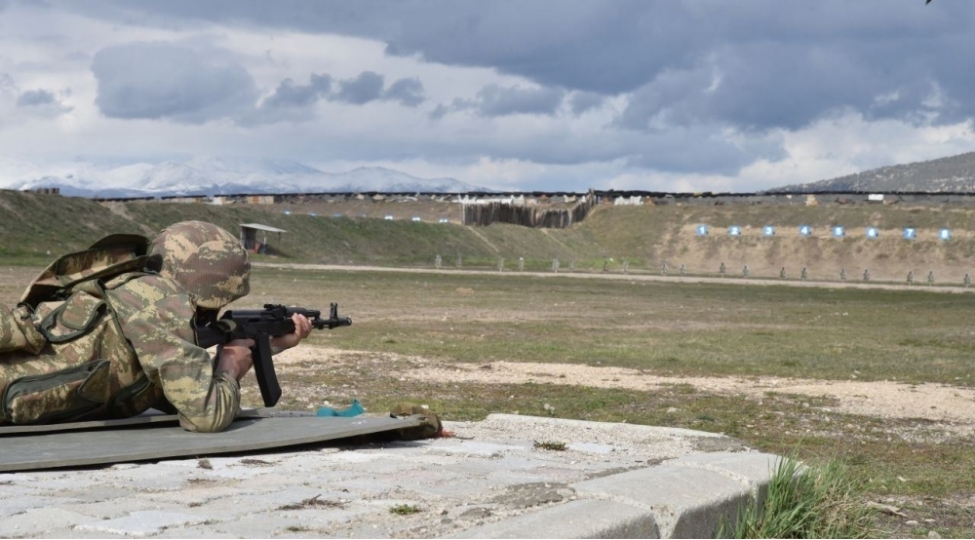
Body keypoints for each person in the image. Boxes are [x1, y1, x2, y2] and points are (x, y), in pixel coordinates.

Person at [0, 221, 311, 432]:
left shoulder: (131, 287)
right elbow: (205, 415)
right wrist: (230, 367)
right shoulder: (161, 307)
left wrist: (271, 345)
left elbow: (167, 390)